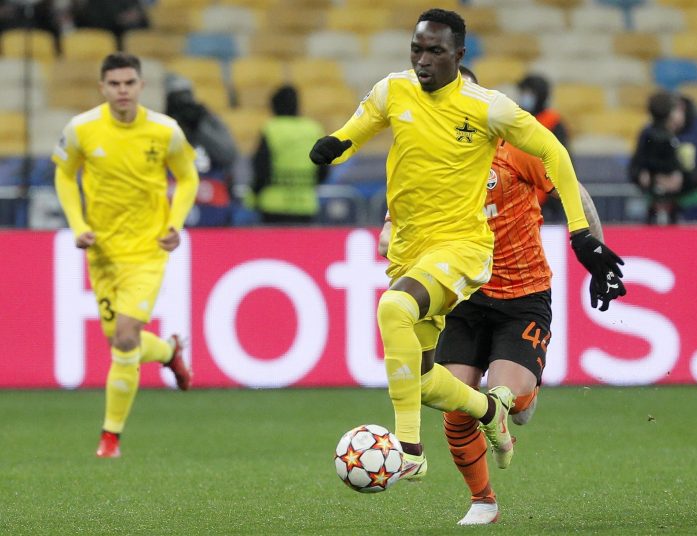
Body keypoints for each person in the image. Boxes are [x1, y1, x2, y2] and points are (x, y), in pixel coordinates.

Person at [309, 8, 625, 484]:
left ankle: (411, 451)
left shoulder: (491, 115)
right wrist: (335, 144)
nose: (422, 61)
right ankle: (484, 451)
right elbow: (367, 128)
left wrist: (586, 241)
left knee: (395, 311)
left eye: (435, 52)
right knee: (427, 382)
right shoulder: (396, 94)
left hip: (488, 269)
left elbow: (560, 163)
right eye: (417, 49)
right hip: (444, 276)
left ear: (458, 58)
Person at [378, 66, 623, 525]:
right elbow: (395, 218)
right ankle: (483, 502)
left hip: (522, 296)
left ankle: (519, 400)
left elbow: (577, 194)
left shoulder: (516, 147)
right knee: (453, 403)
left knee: (513, 401)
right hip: (462, 296)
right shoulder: (424, 157)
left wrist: (597, 251)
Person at [52, 52, 199, 458]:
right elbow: (64, 174)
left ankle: (110, 438)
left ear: (140, 86)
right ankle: (169, 352)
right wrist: (78, 224)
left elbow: (188, 176)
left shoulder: (164, 131)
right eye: (114, 84)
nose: (122, 90)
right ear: (102, 87)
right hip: (101, 252)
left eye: (129, 83)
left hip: (147, 251)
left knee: (125, 335)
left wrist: (176, 223)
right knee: (123, 344)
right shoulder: (81, 129)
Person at [629, 90, 697, 224]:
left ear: (680, 108)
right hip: (660, 204)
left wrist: (683, 180)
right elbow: (635, 166)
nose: (667, 126)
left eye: (669, 120)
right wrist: (642, 176)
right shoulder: (651, 130)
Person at [166, 74, 238, 226]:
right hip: (172, 205)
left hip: (211, 205)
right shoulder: (161, 125)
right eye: (177, 98)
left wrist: (200, 126)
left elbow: (228, 154)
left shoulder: (208, 121)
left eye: (186, 96)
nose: (183, 103)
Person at [251, 84, 327, 224]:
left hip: (273, 204)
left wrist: (254, 195)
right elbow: (324, 169)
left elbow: (261, 168)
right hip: (305, 204)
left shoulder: (271, 128)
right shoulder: (314, 129)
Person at [517, 73, 570, 222]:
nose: (524, 96)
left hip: (548, 195)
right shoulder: (517, 119)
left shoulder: (554, 122)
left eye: (528, 93)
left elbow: (562, 159)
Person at [71, 0, 149, 50]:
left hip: (134, 43)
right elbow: (93, 25)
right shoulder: (94, 3)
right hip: (105, 46)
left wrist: (135, 18)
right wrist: (120, 20)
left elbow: (145, 23)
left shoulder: (132, 2)